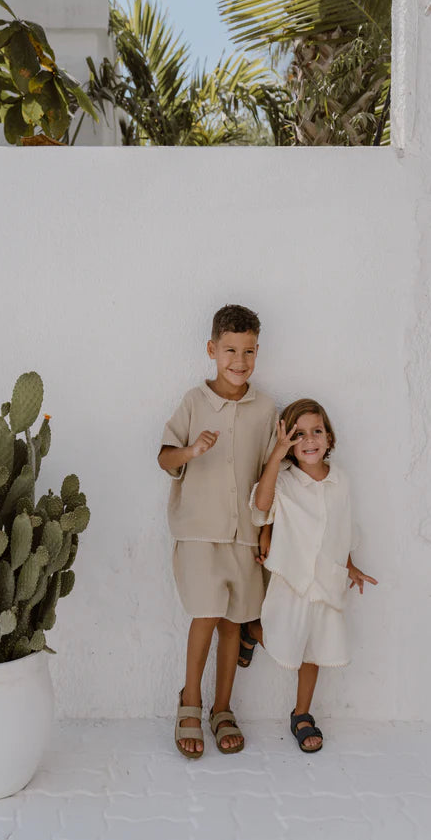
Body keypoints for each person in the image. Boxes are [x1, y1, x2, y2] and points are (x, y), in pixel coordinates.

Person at [158, 304, 277, 758]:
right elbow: (164, 458)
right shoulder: (193, 402)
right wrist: (191, 451)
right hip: (198, 533)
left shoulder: (266, 409)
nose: (239, 360)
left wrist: (266, 532)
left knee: (234, 622)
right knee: (205, 616)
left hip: (244, 535)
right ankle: (191, 701)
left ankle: (222, 707)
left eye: (248, 351)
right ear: (212, 349)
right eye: (230, 349)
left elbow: (271, 474)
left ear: (257, 352)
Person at [245, 398, 378, 752]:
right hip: (292, 577)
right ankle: (252, 630)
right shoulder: (285, 480)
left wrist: (350, 565)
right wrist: (277, 453)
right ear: (288, 442)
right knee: (283, 639)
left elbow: (342, 528)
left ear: (329, 437)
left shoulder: (341, 481)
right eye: (298, 434)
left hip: (326, 579)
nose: (308, 440)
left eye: (316, 432)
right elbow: (261, 505)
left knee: (313, 651)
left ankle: (302, 713)